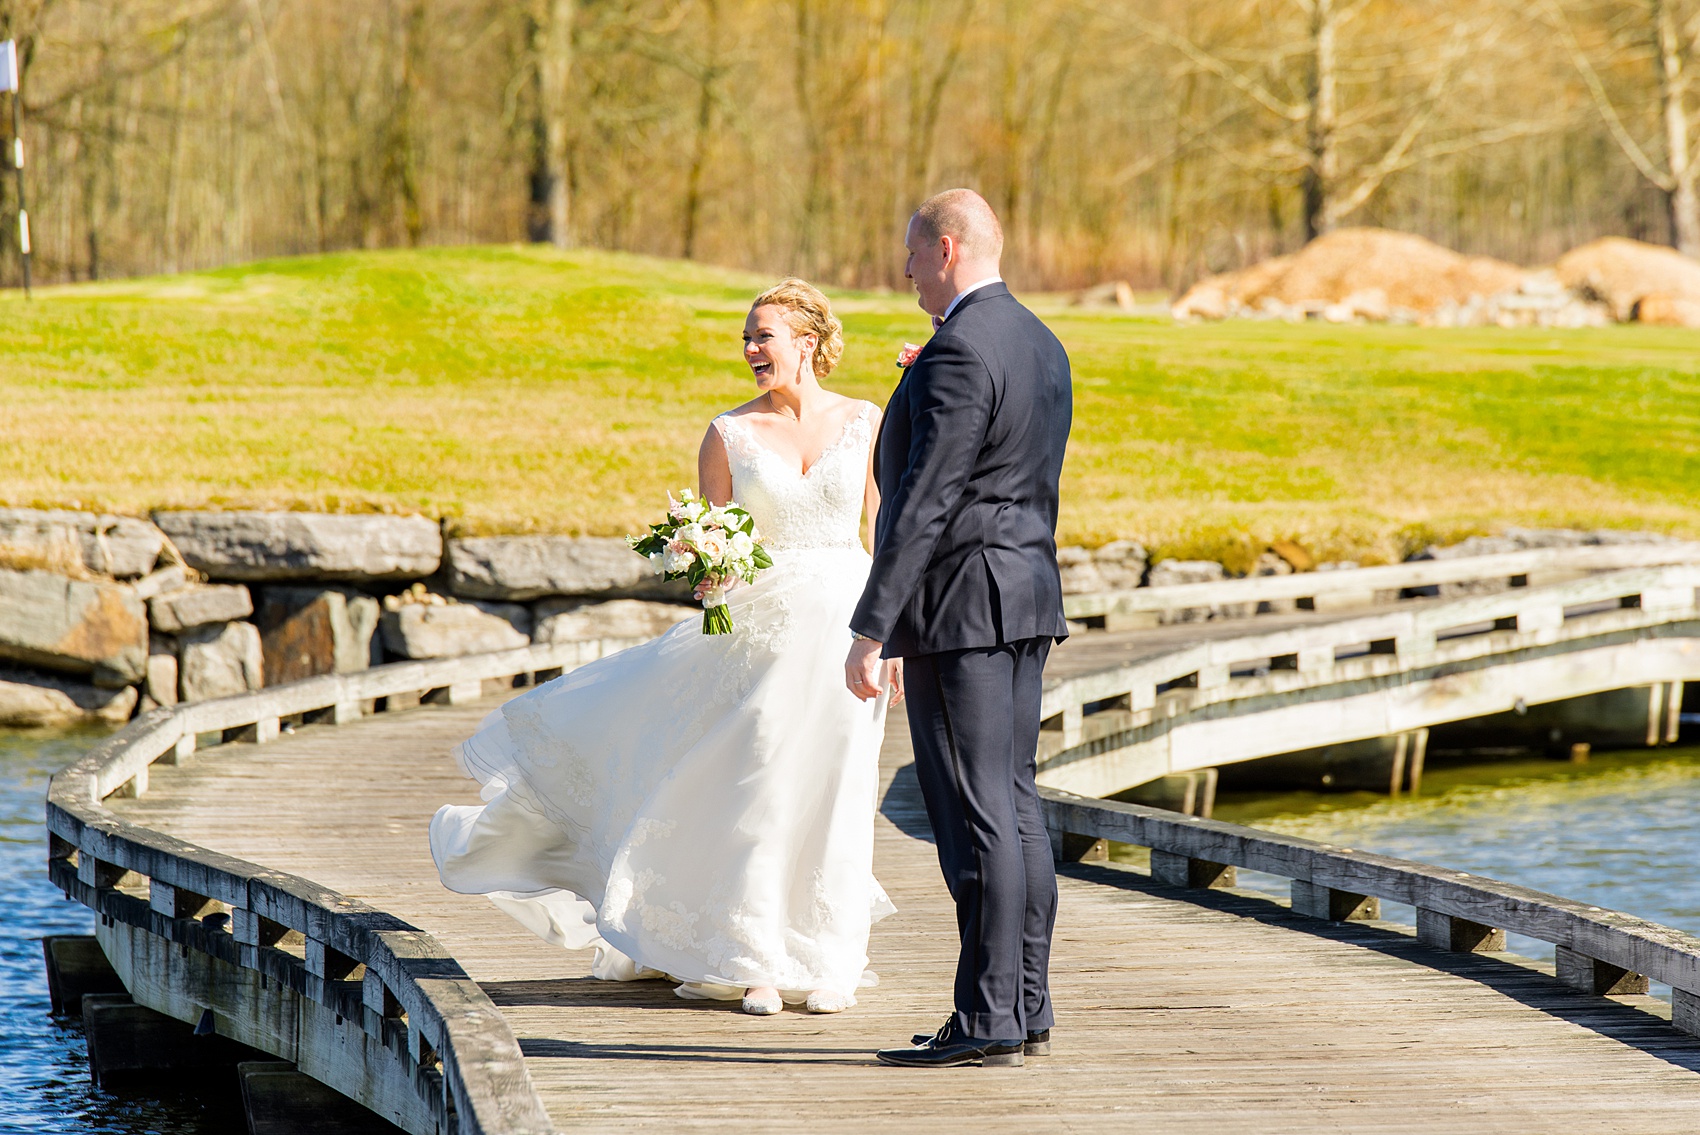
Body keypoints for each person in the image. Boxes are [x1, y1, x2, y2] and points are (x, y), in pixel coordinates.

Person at [430, 279, 901, 1016]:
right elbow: (719, 555)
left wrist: (891, 634)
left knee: (840, 787)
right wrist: (702, 562)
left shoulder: (867, 423)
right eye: (746, 337)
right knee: (762, 786)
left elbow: (888, 535)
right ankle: (756, 961)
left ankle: (834, 956)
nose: (750, 350)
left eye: (763, 336)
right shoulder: (728, 434)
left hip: (847, 628)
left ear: (807, 342)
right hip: (761, 636)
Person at [845, 189, 1073, 1068]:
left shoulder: (960, 352)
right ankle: (1024, 1003)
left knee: (975, 812)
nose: (904, 271)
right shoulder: (1038, 340)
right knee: (1014, 802)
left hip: (959, 608)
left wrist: (874, 626)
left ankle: (985, 1017)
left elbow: (924, 502)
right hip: (1024, 596)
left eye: (911, 255)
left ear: (945, 248)